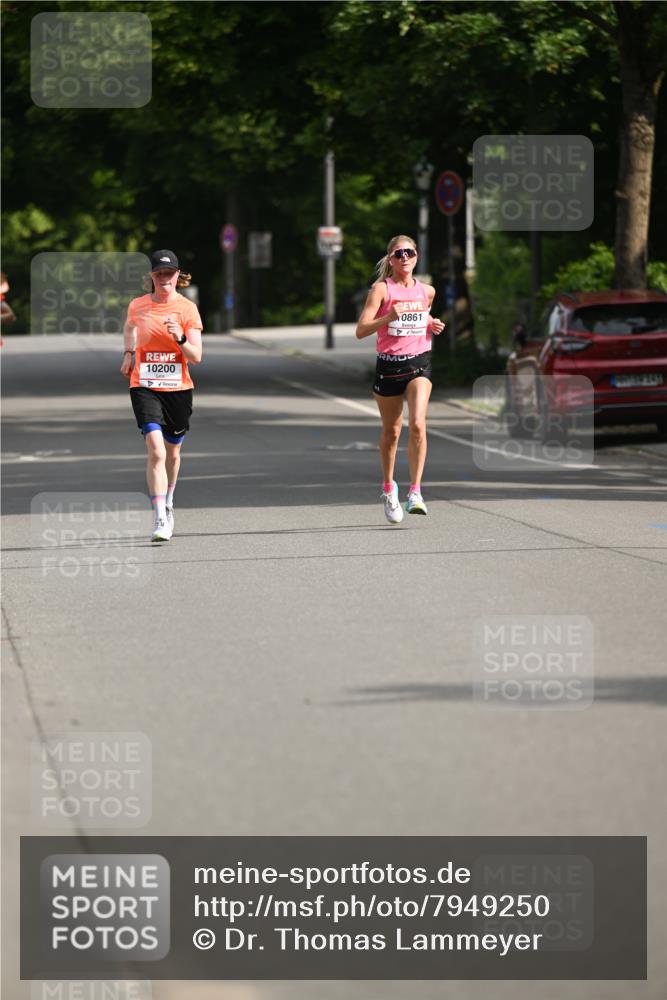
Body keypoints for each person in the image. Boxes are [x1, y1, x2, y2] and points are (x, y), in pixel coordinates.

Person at [356, 235, 445, 523]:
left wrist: (431, 323)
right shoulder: (381, 290)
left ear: (416, 256)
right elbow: (361, 330)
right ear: (391, 260)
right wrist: (386, 317)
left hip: (420, 363)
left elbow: (422, 320)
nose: (404, 257)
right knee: (391, 432)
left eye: (409, 252)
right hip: (389, 366)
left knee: (418, 423)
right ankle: (388, 487)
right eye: (398, 254)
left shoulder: (427, 291)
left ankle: (416, 492)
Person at [121, 250, 203, 542]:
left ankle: (168, 501)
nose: (164, 279)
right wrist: (129, 353)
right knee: (156, 450)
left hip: (178, 389)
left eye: (170, 274)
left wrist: (179, 337)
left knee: (173, 452)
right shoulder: (138, 306)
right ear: (152, 277)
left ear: (178, 276)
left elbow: (196, 357)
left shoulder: (187, 309)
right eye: (159, 274)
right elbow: (129, 328)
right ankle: (158, 518)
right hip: (143, 384)